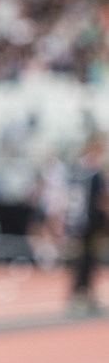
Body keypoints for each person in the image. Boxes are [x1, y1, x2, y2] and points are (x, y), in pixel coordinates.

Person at [69, 132, 106, 317]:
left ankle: (79, 291)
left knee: (81, 259)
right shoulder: (94, 172)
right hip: (90, 221)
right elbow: (100, 199)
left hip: (77, 221)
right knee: (88, 259)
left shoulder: (78, 169)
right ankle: (83, 292)